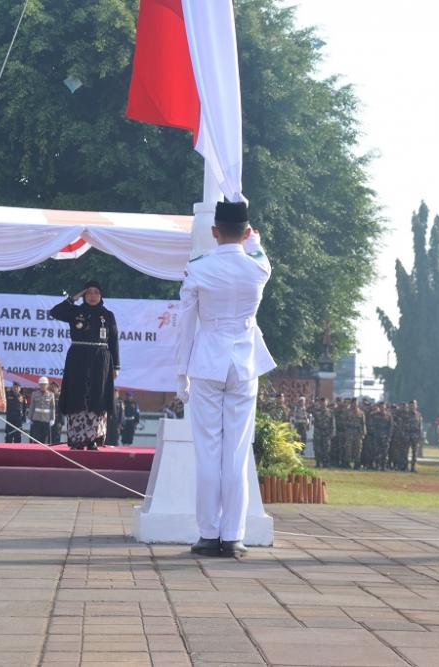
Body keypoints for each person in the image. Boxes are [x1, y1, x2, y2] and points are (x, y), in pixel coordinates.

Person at [176, 200, 275, 559]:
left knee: (208, 451)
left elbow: (185, 325)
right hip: (244, 363)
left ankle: (208, 534)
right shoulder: (258, 269)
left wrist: (180, 372)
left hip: (207, 361)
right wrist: (254, 243)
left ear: (214, 231)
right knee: (236, 451)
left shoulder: (198, 269)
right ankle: (233, 535)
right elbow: (261, 255)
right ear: (247, 232)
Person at [49, 281, 120, 451]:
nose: (93, 296)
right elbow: (55, 312)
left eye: (96, 292)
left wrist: (115, 366)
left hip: (100, 359)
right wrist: (74, 297)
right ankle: (77, 437)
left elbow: (114, 341)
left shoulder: (107, 315)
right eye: (89, 293)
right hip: (78, 358)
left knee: (97, 396)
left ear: (101, 295)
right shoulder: (75, 312)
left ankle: (93, 438)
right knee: (77, 394)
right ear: (84, 295)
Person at [29, 377, 56, 446]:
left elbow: (52, 408)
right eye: (41, 384)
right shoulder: (34, 394)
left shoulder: (51, 395)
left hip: (46, 420)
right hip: (37, 419)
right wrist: (29, 417)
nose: (43, 386)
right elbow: (32, 406)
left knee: (45, 439)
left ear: (47, 385)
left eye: (44, 384)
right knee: (36, 438)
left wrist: (52, 419)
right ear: (39, 385)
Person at [311, 397, 334, 468]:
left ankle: (325, 463)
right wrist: (313, 404)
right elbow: (312, 420)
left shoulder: (330, 412)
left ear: (327, 403)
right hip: (318, 432)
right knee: (317, 448)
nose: (323, 404)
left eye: (324, 402)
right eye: (321, 402)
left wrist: (332, 432)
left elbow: (332, 423)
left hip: (326, 433)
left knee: (326, 449)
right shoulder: (316, 411)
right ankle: (318, 463)